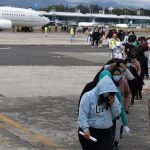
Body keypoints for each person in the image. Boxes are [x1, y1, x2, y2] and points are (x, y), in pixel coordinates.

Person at [78, 75, 121, 150]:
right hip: (90, 131)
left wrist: (113, 104)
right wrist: (85, 129)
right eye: (105, 93)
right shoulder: (88, 96)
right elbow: (82, 114)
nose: (107, 95)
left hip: (105, 131)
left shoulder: (112, 97)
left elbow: (117, 114)